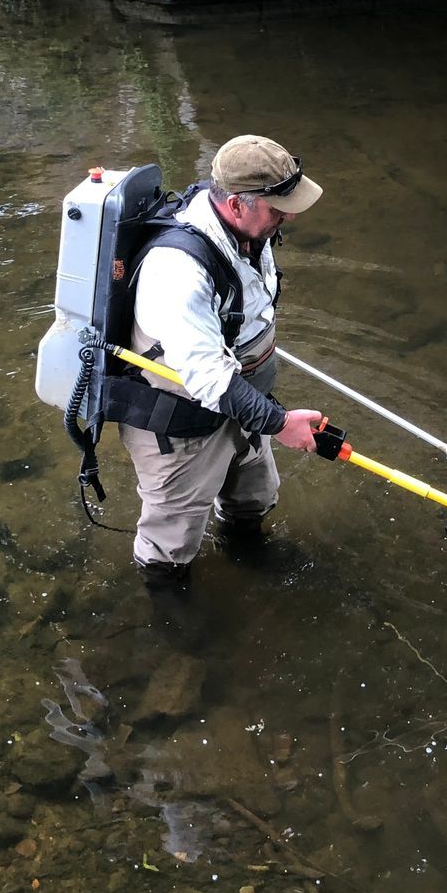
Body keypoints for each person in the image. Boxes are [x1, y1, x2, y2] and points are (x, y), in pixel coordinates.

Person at [118, 135, 328, 590]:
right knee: (169, 544)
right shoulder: (177, 272)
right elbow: (208, 378)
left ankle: (247, 555)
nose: (289, 216)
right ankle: (172, 617)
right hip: (182, 418)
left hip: (244, 400)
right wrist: (281, 423)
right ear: (236, 204)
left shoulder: (248, 225)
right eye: (278, 209)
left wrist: (267, 416)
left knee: (254, 497)